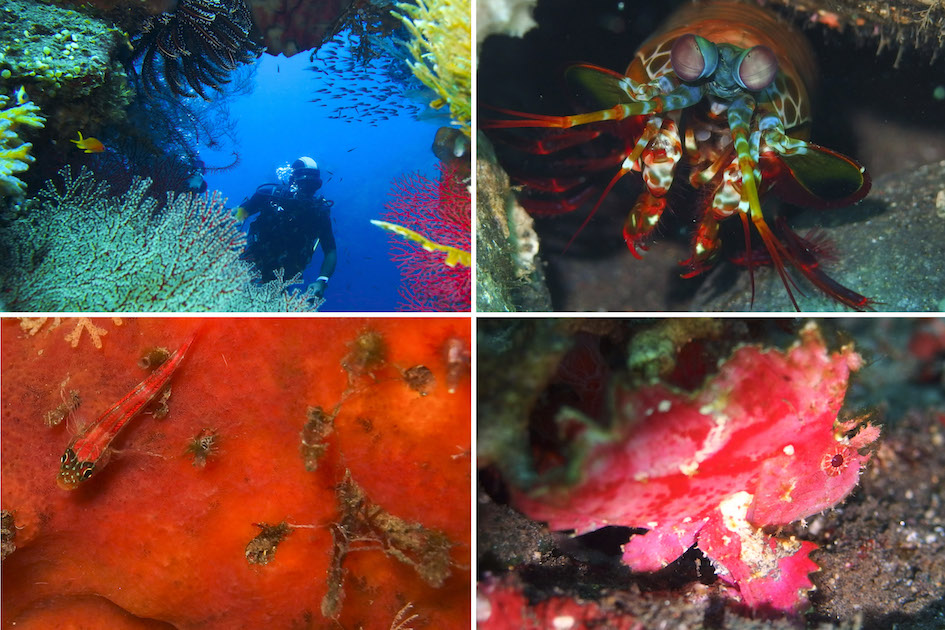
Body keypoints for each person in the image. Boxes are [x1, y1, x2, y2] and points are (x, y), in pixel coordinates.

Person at [236, 156, 337, 299]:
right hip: (250, 264)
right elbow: (241, 212)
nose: (308, 191)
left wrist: (322, 281)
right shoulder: (269, 196)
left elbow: (330, 250)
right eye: (304, 184)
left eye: (313, 186)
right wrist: (233, 221)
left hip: (284, 278)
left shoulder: (318, 213)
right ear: (293, 182)